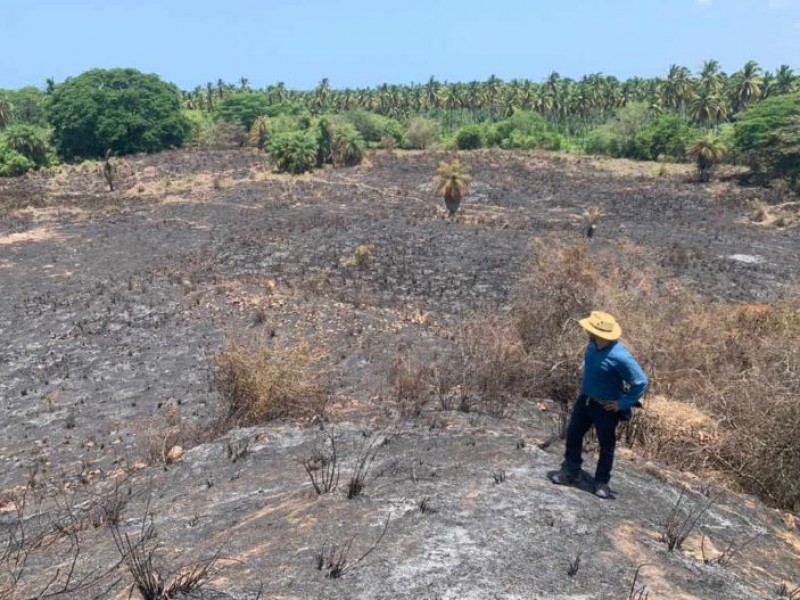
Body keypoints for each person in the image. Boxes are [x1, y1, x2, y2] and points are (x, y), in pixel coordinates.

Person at [550, 311, 648, 499]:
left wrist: (623, 403)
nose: (587, 331)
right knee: (573, 434)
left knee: (606, 445)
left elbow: (641, 381)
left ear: (599, 333)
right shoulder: (592, 345)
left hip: (606, 408)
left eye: (591, 329)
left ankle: (602, 481)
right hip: (585, 400)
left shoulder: (621, 356)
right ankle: (570, 470)